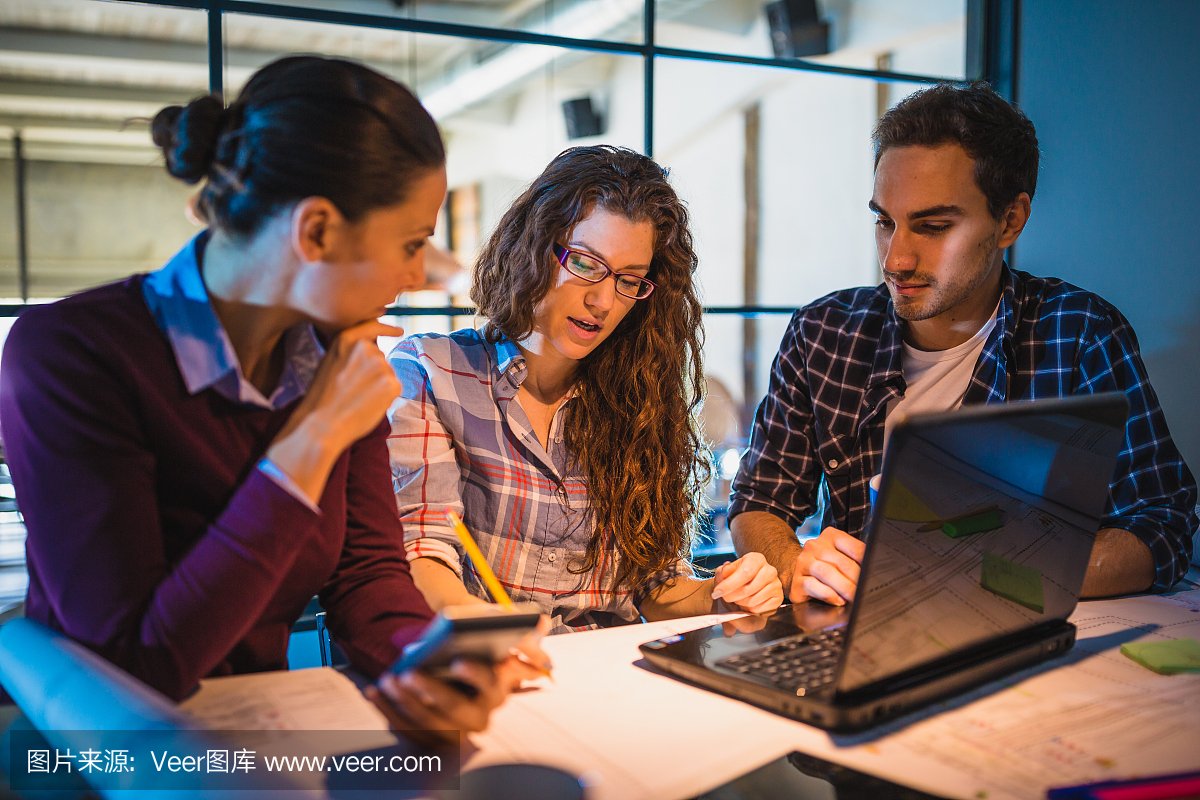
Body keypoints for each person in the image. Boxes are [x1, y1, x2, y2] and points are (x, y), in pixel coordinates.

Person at [0, 55, 520, 735]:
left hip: (261, 735)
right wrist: (311, 439)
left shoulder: (335, 358)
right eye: (412, 241)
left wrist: (420, 660)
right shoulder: (71, 354)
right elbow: (135, 664)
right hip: (104, 755)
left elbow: (367, 573)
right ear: (317, 231)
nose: (418, 274)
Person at [729, 82, 1197, 607]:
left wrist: (987, 577)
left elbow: (1161, 527)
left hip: (1011, 639)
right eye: (885, 222)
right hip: (854, 635)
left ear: (1010, 220)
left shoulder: (1079, 333)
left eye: (932, 226)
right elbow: (759, 500)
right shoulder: (824, 333)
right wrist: (795, 565)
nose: (895, 260)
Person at [388, 145, 783, 632]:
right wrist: (498, 633)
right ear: (535, 247)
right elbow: (422, 553)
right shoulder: (432, 372)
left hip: (610, 677)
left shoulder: (638, 402)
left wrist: (721, 595)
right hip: (484, 670)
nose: (602, 301)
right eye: (585, 264)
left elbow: (654, 587)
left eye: (628, 280)